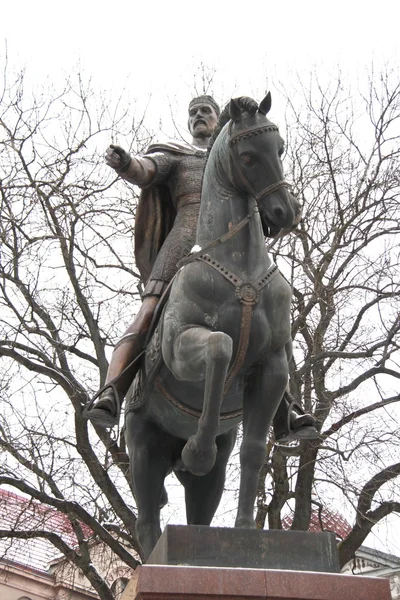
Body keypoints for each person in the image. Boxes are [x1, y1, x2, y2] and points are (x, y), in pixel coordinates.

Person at [84, 95, 317, 443]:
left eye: (204, 111)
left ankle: (284, 407)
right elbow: (148, 170)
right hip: (181, 246)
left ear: (217, 118)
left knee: (273, 322)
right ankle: (111, 391)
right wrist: (127, 163)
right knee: (147, 314)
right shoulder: (179, 156)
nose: (197, 116)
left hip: (237, 252)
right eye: (192, 112)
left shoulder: (238, 150)